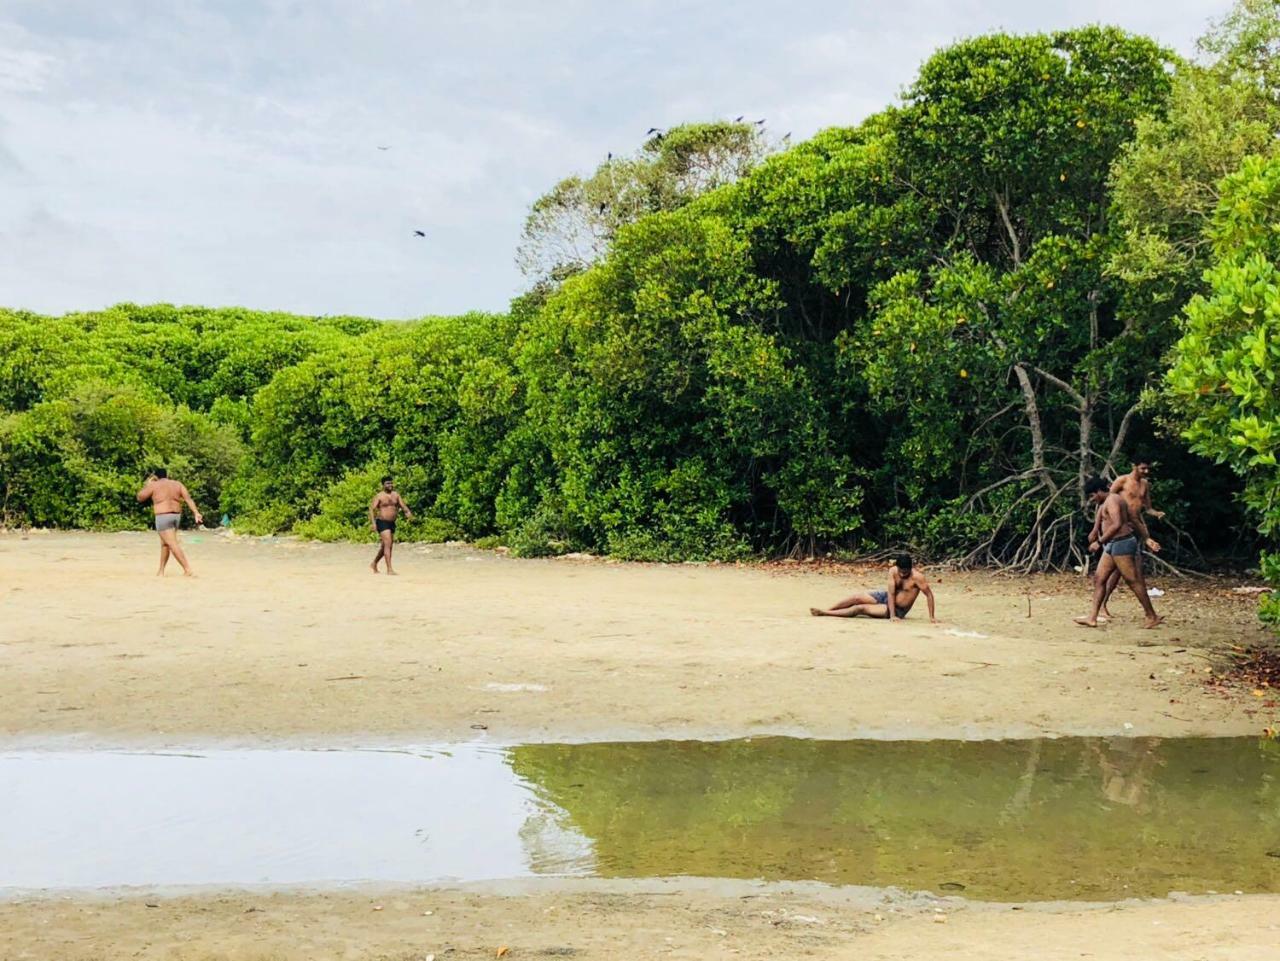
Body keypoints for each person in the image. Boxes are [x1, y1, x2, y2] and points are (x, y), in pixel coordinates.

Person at [1075, 476, 1162, 629]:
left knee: (1132, 580)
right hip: (1112, 545)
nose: (1092, 499)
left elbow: (1117, 524)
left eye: (1092, 496)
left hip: (1122, 543)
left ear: (1099, 491)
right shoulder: (1107, 502)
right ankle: (1092, 617)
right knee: (1099, 578)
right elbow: (1108, 520)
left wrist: (1099, 542)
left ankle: (1151, 615)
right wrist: (1096, 532)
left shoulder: (1113, 501)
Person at [810, 554, 937, 623]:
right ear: (897, 567)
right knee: (857, 597)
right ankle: (829, 609)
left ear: (910, 568)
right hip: (886, 597)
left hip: (898, 609)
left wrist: (932, 616)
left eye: (905, 572)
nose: (903, 574)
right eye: (901, 571)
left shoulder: (918, 578)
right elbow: (891, 594)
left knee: (860, 608)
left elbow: (929, 595)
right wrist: (891, 615)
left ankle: (825, 613)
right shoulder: (893, 571)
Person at [136, 468, 203, 577]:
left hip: (163, 516)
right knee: (165, 544)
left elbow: (140, 497)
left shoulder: (154, 485)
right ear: (167, 475)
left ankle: (187, 569)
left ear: (156, 476)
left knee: (172, 544)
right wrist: (196, 512)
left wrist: (148, 484)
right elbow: (188, 499)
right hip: (176, 516)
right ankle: (161, 571)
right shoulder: (177, 484)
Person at [369, 474, 413, 575]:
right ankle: (389, 569)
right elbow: (372, 509)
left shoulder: (396, 495)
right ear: (383, 485)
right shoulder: (379, 496)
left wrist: (408, 512)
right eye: (388, 483)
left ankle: (374, 563)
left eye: (391, 483)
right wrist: (373, 523)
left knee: (385, 546)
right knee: (388, 544)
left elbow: (403, 506)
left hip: (391, 523)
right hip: (382, 522)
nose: (390, 485)